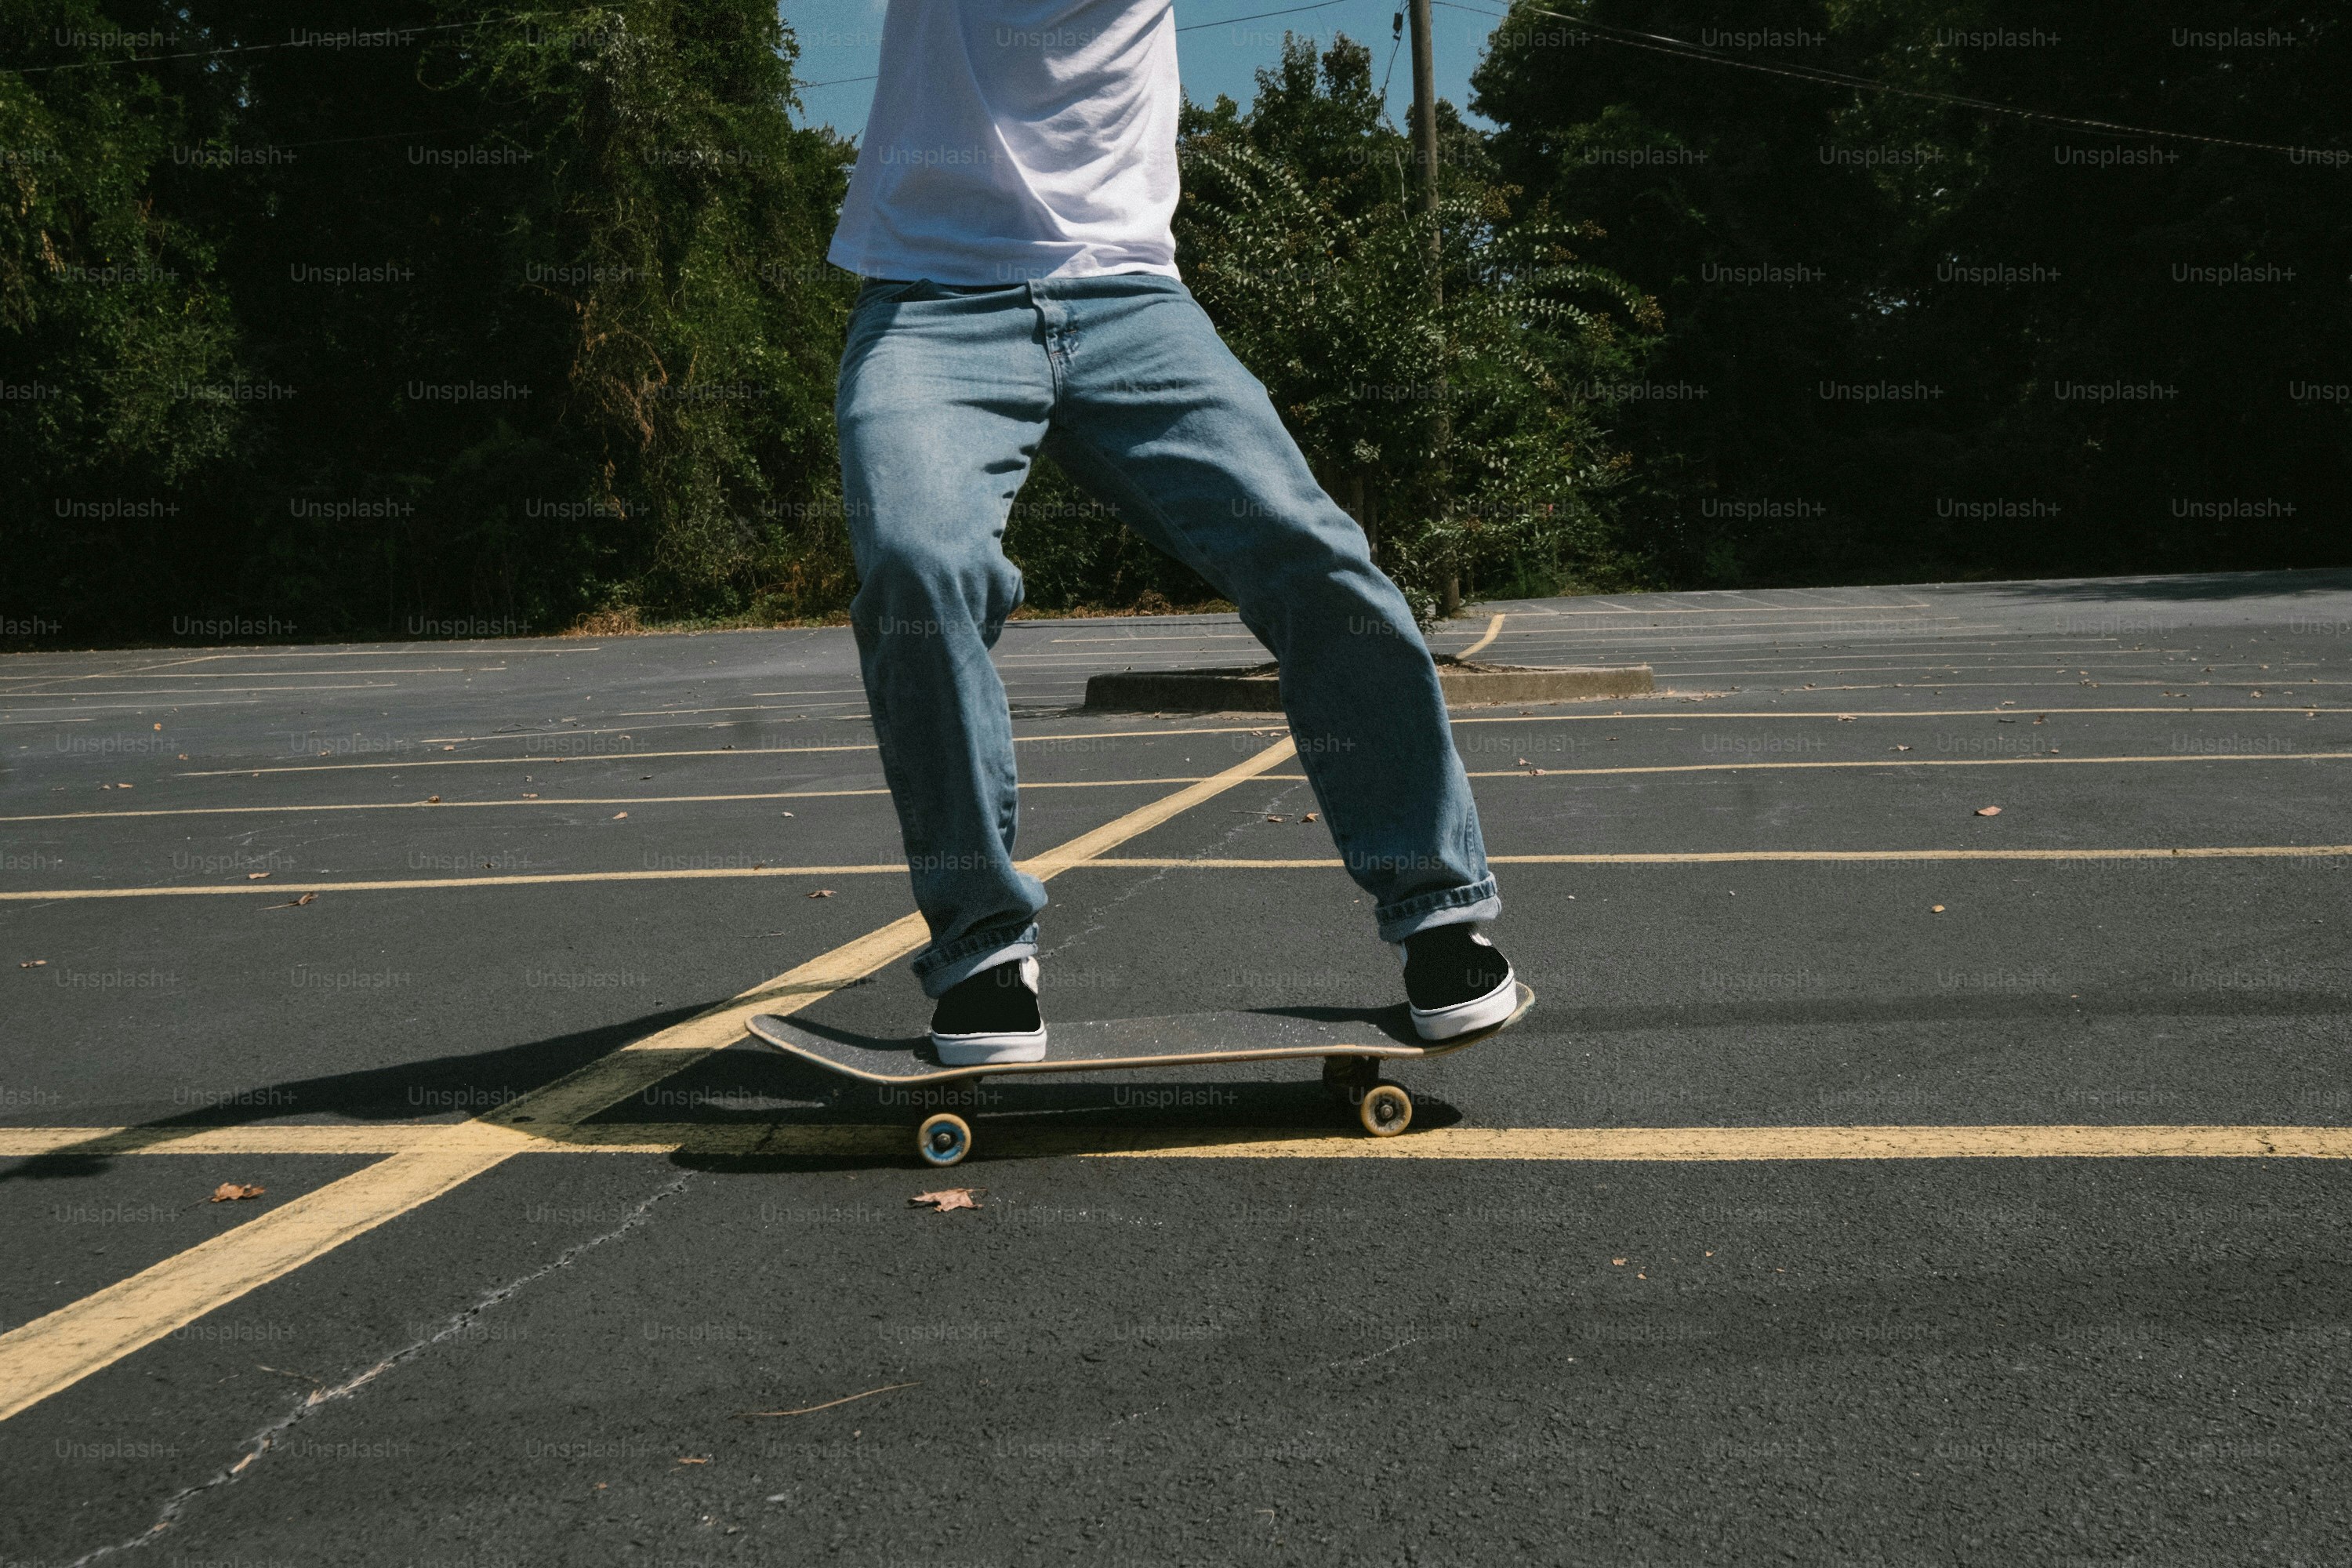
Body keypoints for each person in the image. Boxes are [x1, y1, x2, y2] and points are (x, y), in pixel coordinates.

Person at [830, 0, 1515, 1064]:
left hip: (1132, 303)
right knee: (920, 566)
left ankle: (1438, 909)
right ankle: (981, 949)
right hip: (932, 300)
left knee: (1317, 558)